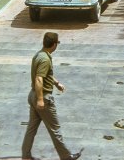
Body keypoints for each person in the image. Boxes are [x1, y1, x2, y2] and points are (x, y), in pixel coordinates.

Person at [21, 32, 82, 160]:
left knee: (31, 128)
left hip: (33, 95)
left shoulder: (39, 55)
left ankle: (26, 155)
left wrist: (56, 83)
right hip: (43, 97)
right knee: (55, 129)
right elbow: (39, 79)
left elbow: (45, 75)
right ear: (54, 44)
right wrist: (41, 100)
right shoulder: (45, 60)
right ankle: (66, 157)